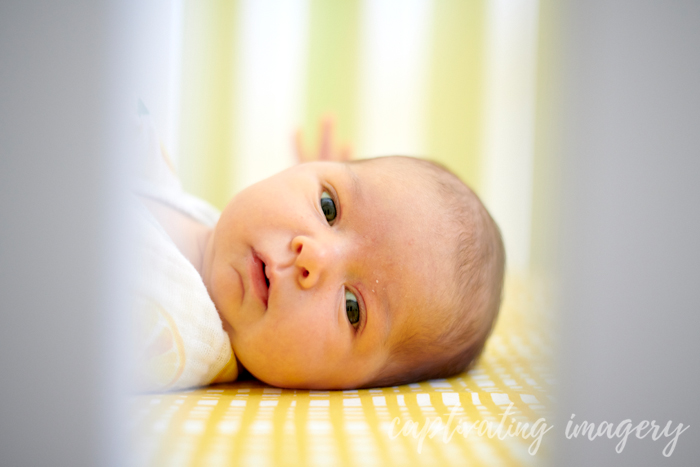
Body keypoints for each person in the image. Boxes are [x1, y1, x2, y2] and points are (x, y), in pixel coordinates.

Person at [131, 110, 505, 391]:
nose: (314, 256)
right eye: (328, 207)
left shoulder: (169, 331)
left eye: (351, 308)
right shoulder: (192, 211)